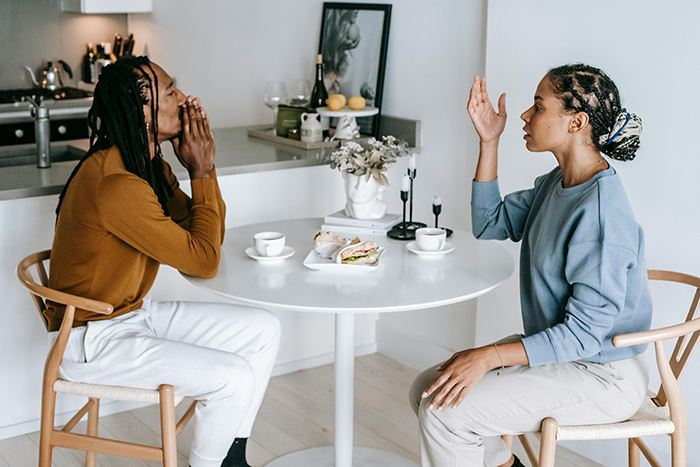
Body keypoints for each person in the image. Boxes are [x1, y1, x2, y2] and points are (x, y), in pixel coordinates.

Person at [409, 64, 652, 467]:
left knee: (446, 411)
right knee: (430, 389)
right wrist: (490, 142)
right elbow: (490, 224)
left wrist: (489, 355)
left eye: (538, 107)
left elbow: (583, 337)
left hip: (603, 375)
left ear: (576, 122)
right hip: (565, 359)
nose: (525, 115)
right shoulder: (557, 183)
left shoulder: (602, 215)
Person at [46, 56, 281, 467]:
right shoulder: (117, 185)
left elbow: (208, 236)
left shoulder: (145, 164)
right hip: (91, 339)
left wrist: (199, 169)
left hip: (130, 315)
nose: (185, 99)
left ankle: (231, 456)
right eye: (171, 91)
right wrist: (203, 168)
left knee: (264, 329)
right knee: (234, 377)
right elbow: (204, 260)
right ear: (143, 112)